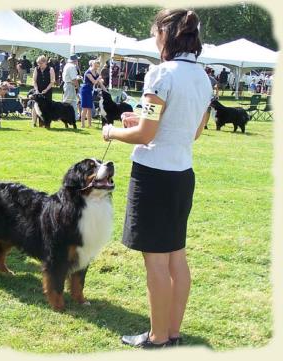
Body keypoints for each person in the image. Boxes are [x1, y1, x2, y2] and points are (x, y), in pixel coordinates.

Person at [102, 9, 213, 348]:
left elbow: (145, 134)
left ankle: (157, 337)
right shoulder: (204, 78)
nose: (155, 41)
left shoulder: (161, 75)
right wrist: (142, 123)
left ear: (167, 36)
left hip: (154, 177)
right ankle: (173, 333)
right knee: (176, 257)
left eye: (156, 35)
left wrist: (113, 131)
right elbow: (192, 131)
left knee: (156, 263)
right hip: (182, 175)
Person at [79, 59, 106, 128]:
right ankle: (82, 125)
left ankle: (90, 125)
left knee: (90, 108)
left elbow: (100, 83)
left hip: (90, 91)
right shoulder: (88, 72)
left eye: (98, 67)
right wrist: (99, 78)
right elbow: (94, 82)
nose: (97, 68)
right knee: (85, 108)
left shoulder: (96, 73)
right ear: (93, 65)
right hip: (85, 90)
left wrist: (106, 91)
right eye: (96, 66)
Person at [31, 55, 56, 126]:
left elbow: (52, 81)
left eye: (41, 63)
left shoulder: (50, 69)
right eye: (38, 63)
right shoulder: (36, 69)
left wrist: (46, 89)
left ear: (45, 62)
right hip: (38, 90)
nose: (39, 65)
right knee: (35, 106)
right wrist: (36, 90)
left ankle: (46, 123)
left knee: (46, 108)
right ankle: (34, 123)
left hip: (47, 91)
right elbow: (34, 81)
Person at [62, 55, 80, 120]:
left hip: (69, 85)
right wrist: (78, 87)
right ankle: (64, 116)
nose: (78, 61)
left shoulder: (67, 65)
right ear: (75, 60)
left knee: (73, 102)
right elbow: (73, 79)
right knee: (67, 102)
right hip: (69, 85)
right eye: (77, 60)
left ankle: (75, 117)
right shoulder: (72, 66)